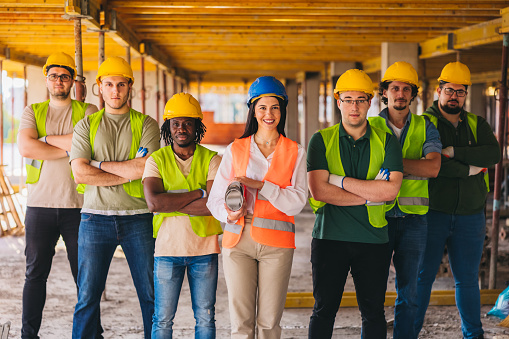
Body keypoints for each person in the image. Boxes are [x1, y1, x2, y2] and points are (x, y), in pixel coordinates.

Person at [207, 76, 308, 338]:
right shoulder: (236, 149)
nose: (269, 114)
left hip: (277, 246)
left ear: (282, 110)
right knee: (241, 324)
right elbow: (215, 198)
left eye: (275, 107)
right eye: (262, 107)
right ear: (253, 110)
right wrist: (228, 213)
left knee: (269, 324)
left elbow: (297, 202)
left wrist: (262, 185)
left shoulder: (296, 151)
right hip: (238, 242)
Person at [307, 69, 403, 338]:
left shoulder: (386, 141)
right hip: (329, 238)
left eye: (360, 99)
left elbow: (391, 190)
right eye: (348, 99)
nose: (354, 106)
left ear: (370, 103)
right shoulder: (321, 140)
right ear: (338, 102)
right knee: (324, 310)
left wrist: (338, 180)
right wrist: (368, 193)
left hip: (373, 239)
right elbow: (318, 191)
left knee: (373, 313)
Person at [70, 56, 160, 338]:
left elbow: (146, 168)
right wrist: (126, 170)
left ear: (129, 87)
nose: (115, 91)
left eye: (121, 84)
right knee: (87, 298)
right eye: (109, 84)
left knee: (151, 296)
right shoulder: (87, 125)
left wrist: (97, 165)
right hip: (95, 219)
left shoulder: (146, 124)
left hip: (139, 220)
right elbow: (80, 174)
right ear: (99, 87)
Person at [415, 62, 500, 339]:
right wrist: (467, 167)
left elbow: (492, 155)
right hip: (431, 213)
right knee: (421, 279)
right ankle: (409, 333)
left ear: (466, 94)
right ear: (438, 90)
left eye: (460, 92)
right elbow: (432, 166)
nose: (454, 96)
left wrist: (452, 151)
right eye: (449, 90)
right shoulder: (423, 123)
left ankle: (473, 335)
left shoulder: (477, 124)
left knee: (467, 281)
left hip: (470, 214)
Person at [17, 52, 100, 339]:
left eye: (64, 76)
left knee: (86, 279)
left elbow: (88, 144)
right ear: (47, 79)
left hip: (79, 207)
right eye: (54, 76)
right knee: (35, 275)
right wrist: (70, 147)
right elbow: (27, 148)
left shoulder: (88, 111)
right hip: (39, 206)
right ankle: (29, 335)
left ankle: (92, 333)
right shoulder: (33, 111)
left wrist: (46, 140)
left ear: (72, 80)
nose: (59, 81)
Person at [367, 62, 441, 339]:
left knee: (409, 294)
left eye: (406, 89)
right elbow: (364, 167)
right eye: (394, 88)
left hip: (414, 220)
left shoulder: (425, 126)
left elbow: (433, 168)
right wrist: (414, 165)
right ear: (384, 93)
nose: (400, 93)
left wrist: (392, 165)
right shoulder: (370, 125)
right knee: (372, 292)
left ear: (413, 95)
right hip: (378, 217)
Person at [143, 92, 223, 338]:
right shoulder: (156, 160)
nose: (181, 128)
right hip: (167, 252)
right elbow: (154, 203)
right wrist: (198, 193)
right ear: (168, 126)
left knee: (205, 317)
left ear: (197, 126)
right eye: (176, 123)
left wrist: (171, 201)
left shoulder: (213, 160)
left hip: (204, 251)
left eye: (188, 123)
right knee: (163, 319)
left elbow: (213, 205)